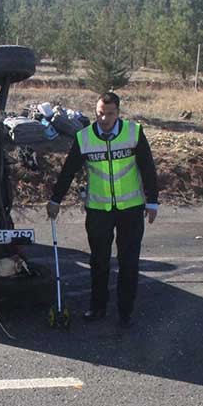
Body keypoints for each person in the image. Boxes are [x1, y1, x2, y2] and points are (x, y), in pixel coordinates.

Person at [46, 92, 159, 329]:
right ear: (94, 111)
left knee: (128, 263)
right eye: (100, 113)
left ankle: (125, 311)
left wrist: (152, 201)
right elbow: (69, 171)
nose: (105, 119)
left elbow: (148, 168)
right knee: (99, 262)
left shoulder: (133, 133)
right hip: (98, 209)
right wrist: (56, 199)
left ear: (118, 113)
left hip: (130, 208)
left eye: (110, 114)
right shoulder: (84, 138)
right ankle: (98, 307)